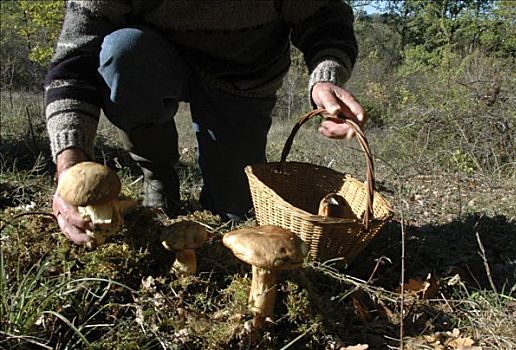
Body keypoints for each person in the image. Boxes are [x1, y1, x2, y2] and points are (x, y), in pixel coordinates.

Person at [47, 0, 366, 247]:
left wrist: (326, 77)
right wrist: (69, 170)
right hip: (151, 59)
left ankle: (222, 200)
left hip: (245, 75)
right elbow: (74, 64)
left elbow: (325, 18)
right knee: (122, 55)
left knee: (234, 216)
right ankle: (158, 173)